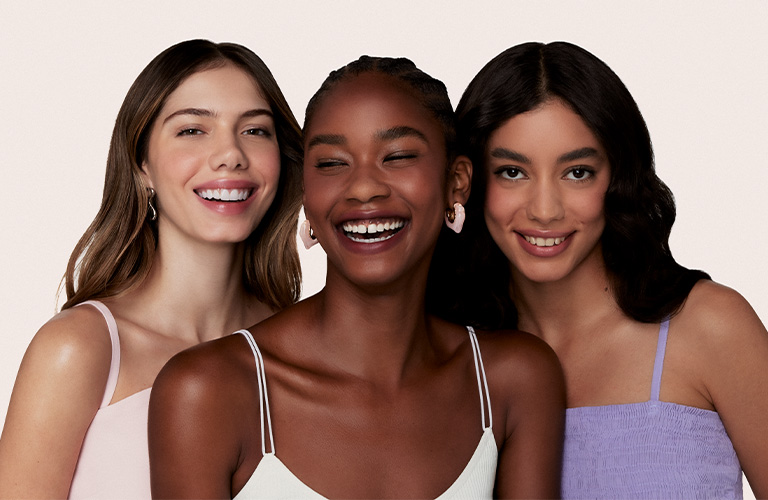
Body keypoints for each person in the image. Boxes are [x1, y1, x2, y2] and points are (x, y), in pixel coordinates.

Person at [148, 55, 565, 499]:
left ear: (456, 182)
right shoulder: (207, 391)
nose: (364, 188)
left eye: (398, 156)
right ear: (306, 191)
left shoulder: (514, 379)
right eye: (331, 163)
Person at [445, 41, 768, 498]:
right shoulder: (450, 354)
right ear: (467, 182)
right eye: (512, 172)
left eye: (577, 172)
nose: (545, 210)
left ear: (618, 177)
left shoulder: (711, 328)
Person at [0, 39, 303, 499]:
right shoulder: (80, 349)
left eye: (255, 130)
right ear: (142, 165)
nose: (230, 154)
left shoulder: (296, 349)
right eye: (192, 130)